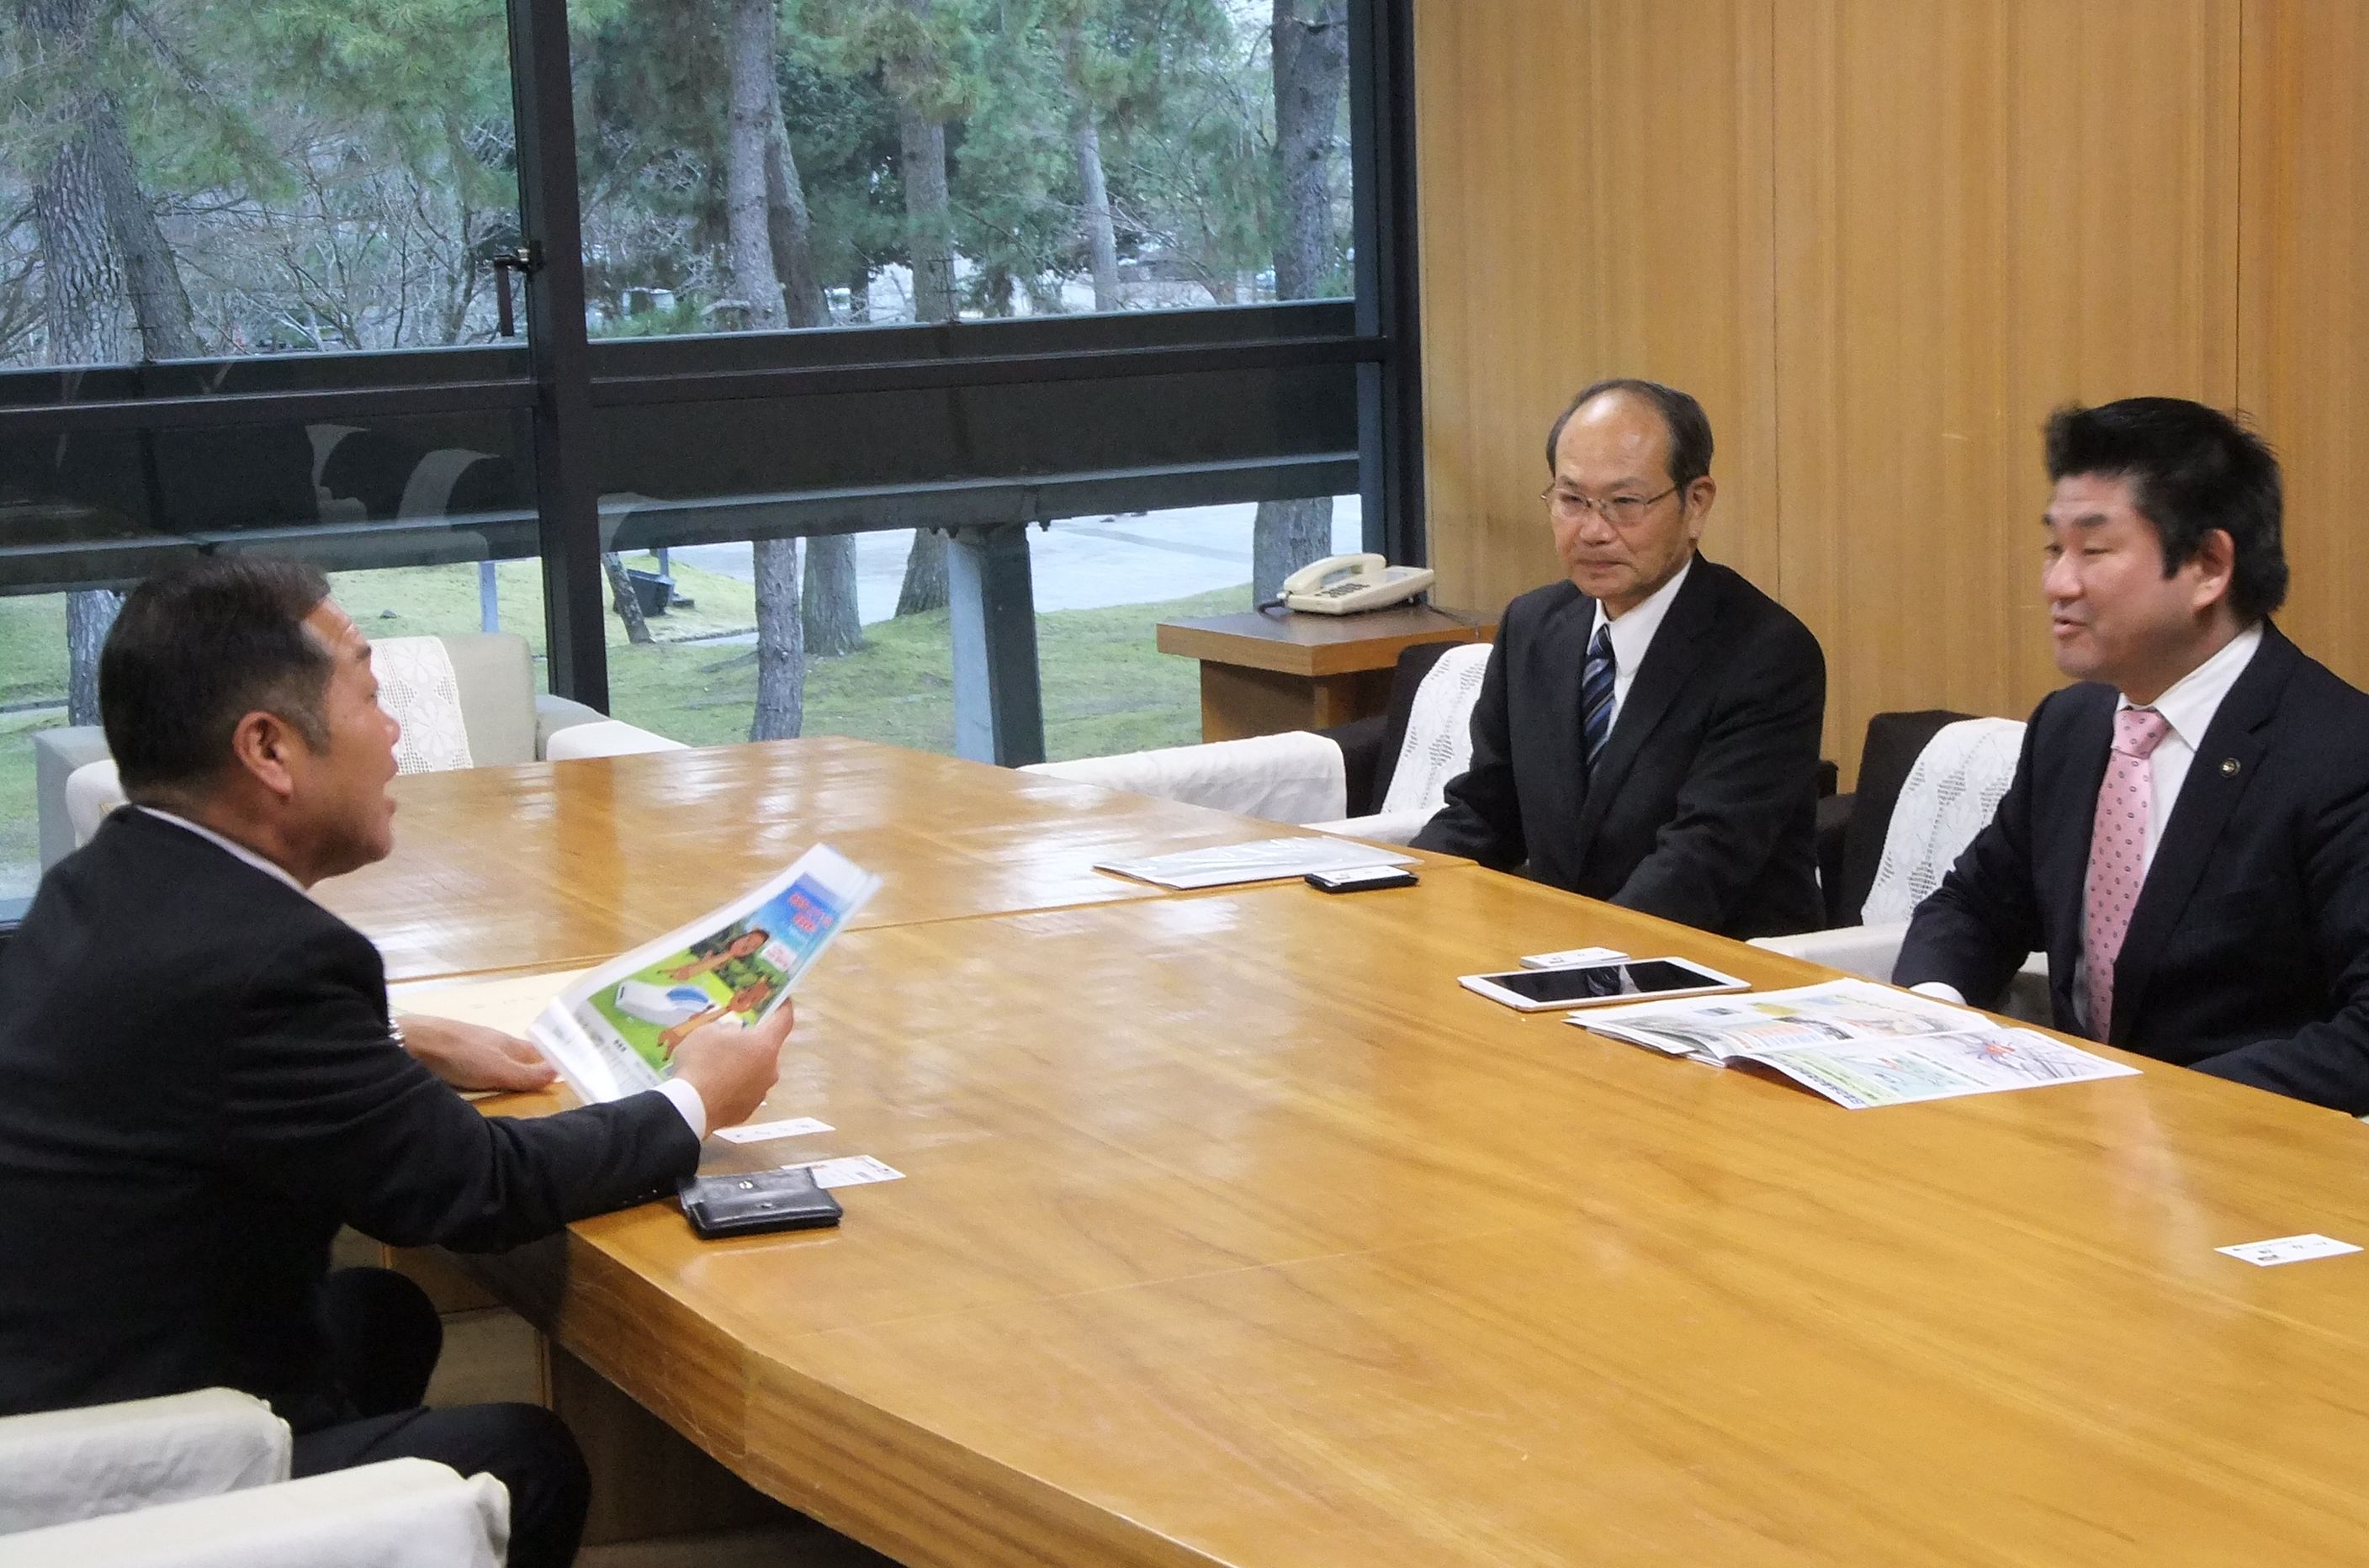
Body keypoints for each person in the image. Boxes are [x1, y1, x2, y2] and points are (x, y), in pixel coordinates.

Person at [0, 557, 788, 1568]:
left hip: (56, 1375)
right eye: (371, 696)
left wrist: (394, 1034)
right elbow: (473, 1191)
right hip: (96, 1464)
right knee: (517, 1460)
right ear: (270, 748)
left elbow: (186, 1032)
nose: (394, 733)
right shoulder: (272, 961)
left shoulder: (103, 882)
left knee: (377, 1317)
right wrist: (693, 1101)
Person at [1894, 397, 2369, 1113]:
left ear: (2209, 566)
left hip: (2245, 1159)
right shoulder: (2074, 724)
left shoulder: (2338, 753)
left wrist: (2148, 1109)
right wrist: (1933, 1013)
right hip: (2069, 1143)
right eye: (2054, 548)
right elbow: (1977, 906)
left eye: (2094, 549)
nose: (2058, 584)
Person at [1411, 378, 1826, 938]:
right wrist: (1400, 898)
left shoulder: (1765, 654)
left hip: (1711, 973)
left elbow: (1699, 865)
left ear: (1695, 504)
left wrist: (1571, 956)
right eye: (1571, 500)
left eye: (1625, 503)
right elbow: (1485, 812)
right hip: (1561, 956)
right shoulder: (1533, 626)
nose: (1592, 531)